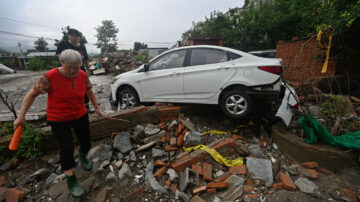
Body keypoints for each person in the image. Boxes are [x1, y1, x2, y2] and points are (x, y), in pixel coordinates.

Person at [14, 49, 104, 197]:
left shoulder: (82, 74)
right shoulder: (49, 77)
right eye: (70, 67)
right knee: (66, 148)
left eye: (77, 67)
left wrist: (97, 108)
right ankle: (71, 179)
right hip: (58, 119)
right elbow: (31, 95)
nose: (73, 71)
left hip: (80, 115)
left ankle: (82, 155)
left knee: (86, 141)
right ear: (61, 63)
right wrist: (21, 116)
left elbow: (89, 91)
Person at [56, 28, 94, 112]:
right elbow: (60, 57)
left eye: (76, 36)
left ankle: (86, 107)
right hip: (67, 70)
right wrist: (65, 67)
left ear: (79, 37)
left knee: (84, 88)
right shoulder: (63, 44)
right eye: (72, 35)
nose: (74, 37)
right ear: (68, 36)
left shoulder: (82, 46)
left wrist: (88, 69)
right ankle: (70, 108)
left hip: (81, 69)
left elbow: (86, 59)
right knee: (68, 88)